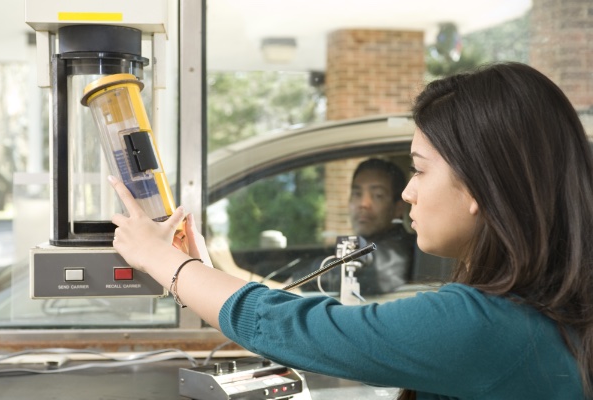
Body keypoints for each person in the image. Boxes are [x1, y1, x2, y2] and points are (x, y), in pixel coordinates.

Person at [109, 62, 591, 399]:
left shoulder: (485, 327)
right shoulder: (545, 317)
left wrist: (167, 263)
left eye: (419, 171)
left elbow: (304, 328)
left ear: (479, 189)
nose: (407, 194)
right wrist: (200, 275)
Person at [294, 158, 415, 296]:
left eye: (378, 195)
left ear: (398, 208)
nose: (363, 203)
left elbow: (377, 271)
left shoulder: (400, 246)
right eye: (357, 194)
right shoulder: (367, 243)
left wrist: (297, 282)